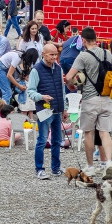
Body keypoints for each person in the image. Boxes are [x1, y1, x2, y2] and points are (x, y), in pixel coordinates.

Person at [65, 27, 112, 179]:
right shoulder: (108, 54)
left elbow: (68, 77)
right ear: (96, 38)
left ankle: (91, 166)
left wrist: (72, 85)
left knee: (89, 133)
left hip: (90, 99)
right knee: (105, 132)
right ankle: (107, 163)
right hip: (106, 98)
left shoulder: (83, 56)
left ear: (84, 40)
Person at [27, 44, 67, 180]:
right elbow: (30, 91)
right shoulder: (36, 70)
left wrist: (64, 108)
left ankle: (55, 168)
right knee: (42, 140)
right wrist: (41, 97)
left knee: (57, 140)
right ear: (43, 54)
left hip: (57, 109)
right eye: (51, 54)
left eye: (56, 54)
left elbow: (62, 90)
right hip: (44, 109)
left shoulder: (59, 69)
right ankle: (39, 169)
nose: (54, 57)